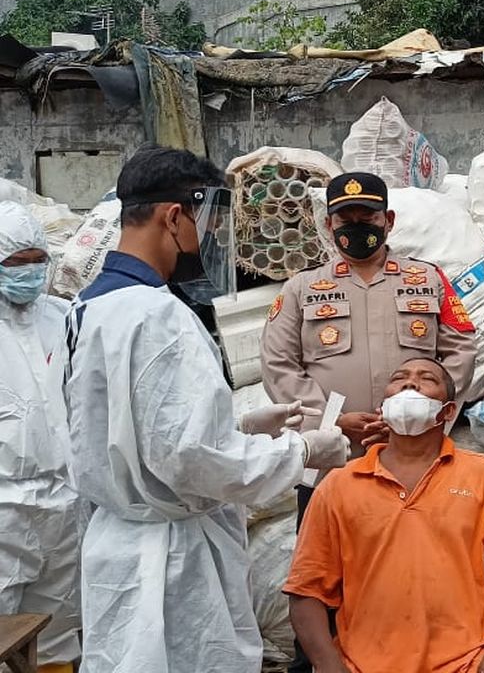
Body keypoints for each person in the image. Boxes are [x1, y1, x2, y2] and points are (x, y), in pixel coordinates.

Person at [58, 146, 351, 673]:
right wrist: (303, 450)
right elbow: (193, 459)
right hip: (171, 563)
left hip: (117, 541)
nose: (211, 238)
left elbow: (128, 431)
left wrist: (237, 426)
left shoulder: (87, 308)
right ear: (175, 216)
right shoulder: (158, 315)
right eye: (209, 223)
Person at [261, 170, 478, 672]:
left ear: (388, 220)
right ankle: (316, 661)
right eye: (345, 218)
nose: (357, 226)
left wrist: (420, 417)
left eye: (367, 217)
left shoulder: (426, 279)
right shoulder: (301, 289)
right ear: (329, 222)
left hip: (412, 459)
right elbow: (279, 365)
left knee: (410, 565)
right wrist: (334, 424)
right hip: (331, 461)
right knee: (322, 572)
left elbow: (461, 349)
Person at [285, 356, 484, 673]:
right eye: (400, 378)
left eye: (427, 379)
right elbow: (305, 590)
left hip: (466, 664)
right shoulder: (338, 485)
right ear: (383, 408)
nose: (410, 383)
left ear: (448, 412)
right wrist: (328, 664)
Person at [0, 203, 79, 673]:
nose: (28, 273)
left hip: (64, 502)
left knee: (58, 622)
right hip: (5, 507)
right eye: (15, 263)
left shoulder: (64, 317)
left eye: (37, 261)